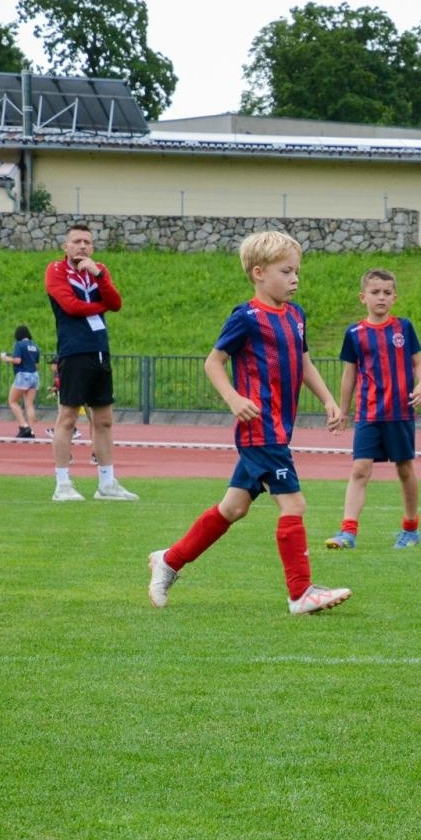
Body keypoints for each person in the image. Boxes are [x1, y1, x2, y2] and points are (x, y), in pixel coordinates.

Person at [147, 231, 352, 615]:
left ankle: (169, 560)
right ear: (259, 273)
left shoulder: (296, 315)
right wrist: (234, 398)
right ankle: (300, 593)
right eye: (286, 272)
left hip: (278, 430)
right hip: (260, 429)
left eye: (297, 271)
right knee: (294, 503)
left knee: (233, 508)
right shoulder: (246, 318)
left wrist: (328, 400)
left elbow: (303, 362)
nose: (295, 279)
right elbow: (213, 362)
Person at [326, 269, 421, 550]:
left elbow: (419, 364)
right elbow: (349, 375)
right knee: (360, 469)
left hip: (400, 412)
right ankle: (348, 532)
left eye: (386, 292)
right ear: (363, 297)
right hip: (368, 413)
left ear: (394, 297)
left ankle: (411, 529)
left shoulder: (404, 328)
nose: (381, 297)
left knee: (404, 469)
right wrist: (343, 411)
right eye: (375, 292)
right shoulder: (354, 333)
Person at [46, 223, 135, 502]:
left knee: (104, 420)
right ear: (66, 246)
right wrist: (101, 306)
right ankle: (63, 484)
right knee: (68, 418)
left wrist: (99, 275)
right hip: (74, 351)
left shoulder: (99, 270)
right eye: (77, 241)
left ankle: (106, 483)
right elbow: (71, 307)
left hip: (99, 350)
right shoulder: (56, 270)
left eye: (87, 242)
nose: (82, 246)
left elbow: (116, 302)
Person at [0, 324, 40, 439]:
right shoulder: (35, 346)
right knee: (29, 404)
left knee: (12, 401)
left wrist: (5, 358)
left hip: (23, 375)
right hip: (34, 376)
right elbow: (37, 366)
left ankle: (24, 426)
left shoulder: (19, 344)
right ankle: (31, 430)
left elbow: (17, 360)